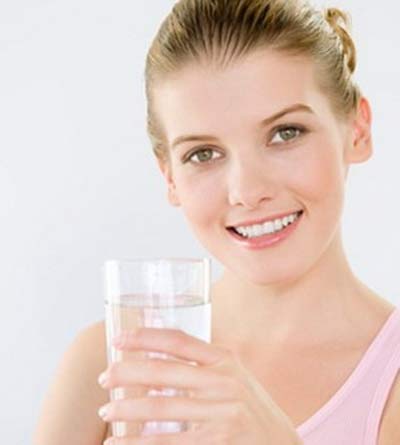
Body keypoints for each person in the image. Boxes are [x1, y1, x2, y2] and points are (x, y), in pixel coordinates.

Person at [33, 0, 400, 444]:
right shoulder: (109, 364)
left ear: (357, 130)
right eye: (203, 154)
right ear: (170, 177)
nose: (247, 190)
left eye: (286, 133)